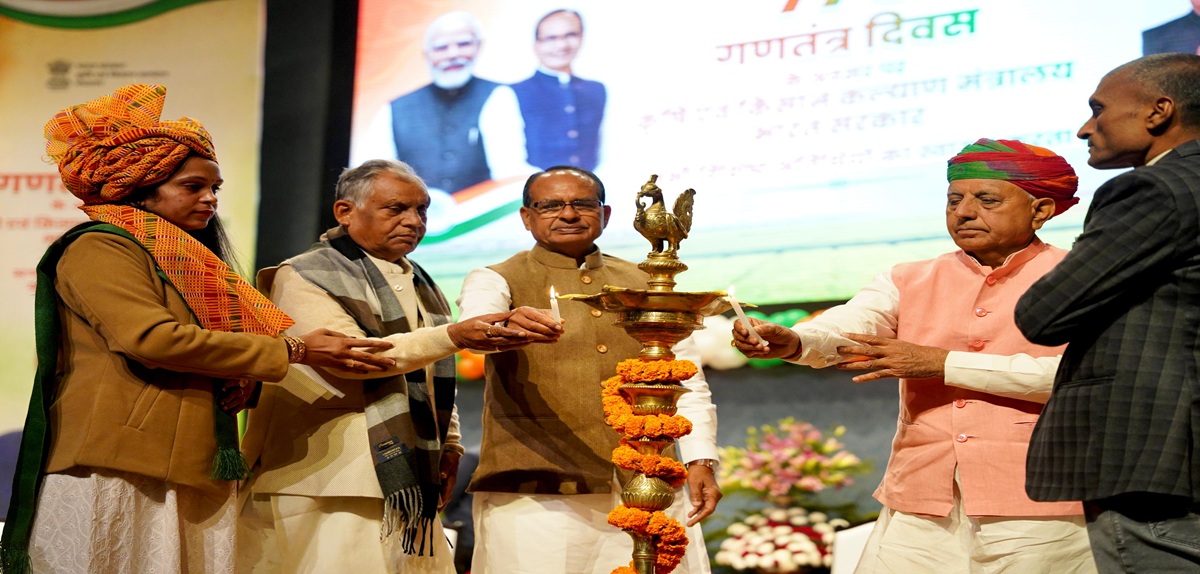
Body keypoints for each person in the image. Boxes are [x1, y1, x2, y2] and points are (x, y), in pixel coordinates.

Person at [0, 84, 393, 574]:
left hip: (189, 460)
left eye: (215, 189)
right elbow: (151, 340)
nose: (210, 200)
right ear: (139, 186)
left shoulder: (185, 258)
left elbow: (208, 349)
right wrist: (292, 350)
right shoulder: (100, 247)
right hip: (118, 464)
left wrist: (244, 377)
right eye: (193, 187)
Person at [734, 139, 1096, 573]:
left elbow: (1086, 378)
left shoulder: (1082, 278)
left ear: (1040, 210)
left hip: (1039, 501)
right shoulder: (909, 277)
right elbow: (852, 324)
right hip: (923, 495)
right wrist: (793, 341)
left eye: (986, 199)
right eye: (953, 199)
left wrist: (944, 364)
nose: (963, 212)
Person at [237, 159, 561, 573]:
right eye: (397, 209)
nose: (414, 221)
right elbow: (354, 358)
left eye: (422, 210)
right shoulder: (303, 273)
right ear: (345, 212)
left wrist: (451, 443)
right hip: (327, 475)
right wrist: (456, 336)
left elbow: (430, 371)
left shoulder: (420, 280)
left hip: (407, 474)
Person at [456, 166, 721, 573]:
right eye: (550, 205)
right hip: (539, 488)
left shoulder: (647, 283)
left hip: (647, 481)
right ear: (527, 217)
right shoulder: (495, 279)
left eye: (582, 204)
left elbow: (687, 379)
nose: (568, 214)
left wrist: (701, 458)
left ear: (606, 214)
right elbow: (477, 325)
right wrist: (503, 326)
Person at [1015, 53, 1200, 572]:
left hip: (1155, 460)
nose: (1083, 129)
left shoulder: (1155, 188)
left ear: (1159, 111)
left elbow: (1044, 314)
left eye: (1098, 109)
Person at [352, 11, 514, 194]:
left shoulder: (505, 95)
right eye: (441, 48)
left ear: (479, 47)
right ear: (426, 54)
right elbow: (368, 176)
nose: (453, 54)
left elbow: (513, 171)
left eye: (463, 44)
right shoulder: (396, 108)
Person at [504, 10, 607, 172]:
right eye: (550, 38)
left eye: (570, 35)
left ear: (582, 37)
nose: (562, 45)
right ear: (536, 44)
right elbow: (508, 163)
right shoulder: (510, 94)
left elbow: (606, 151)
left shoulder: (597, 90)